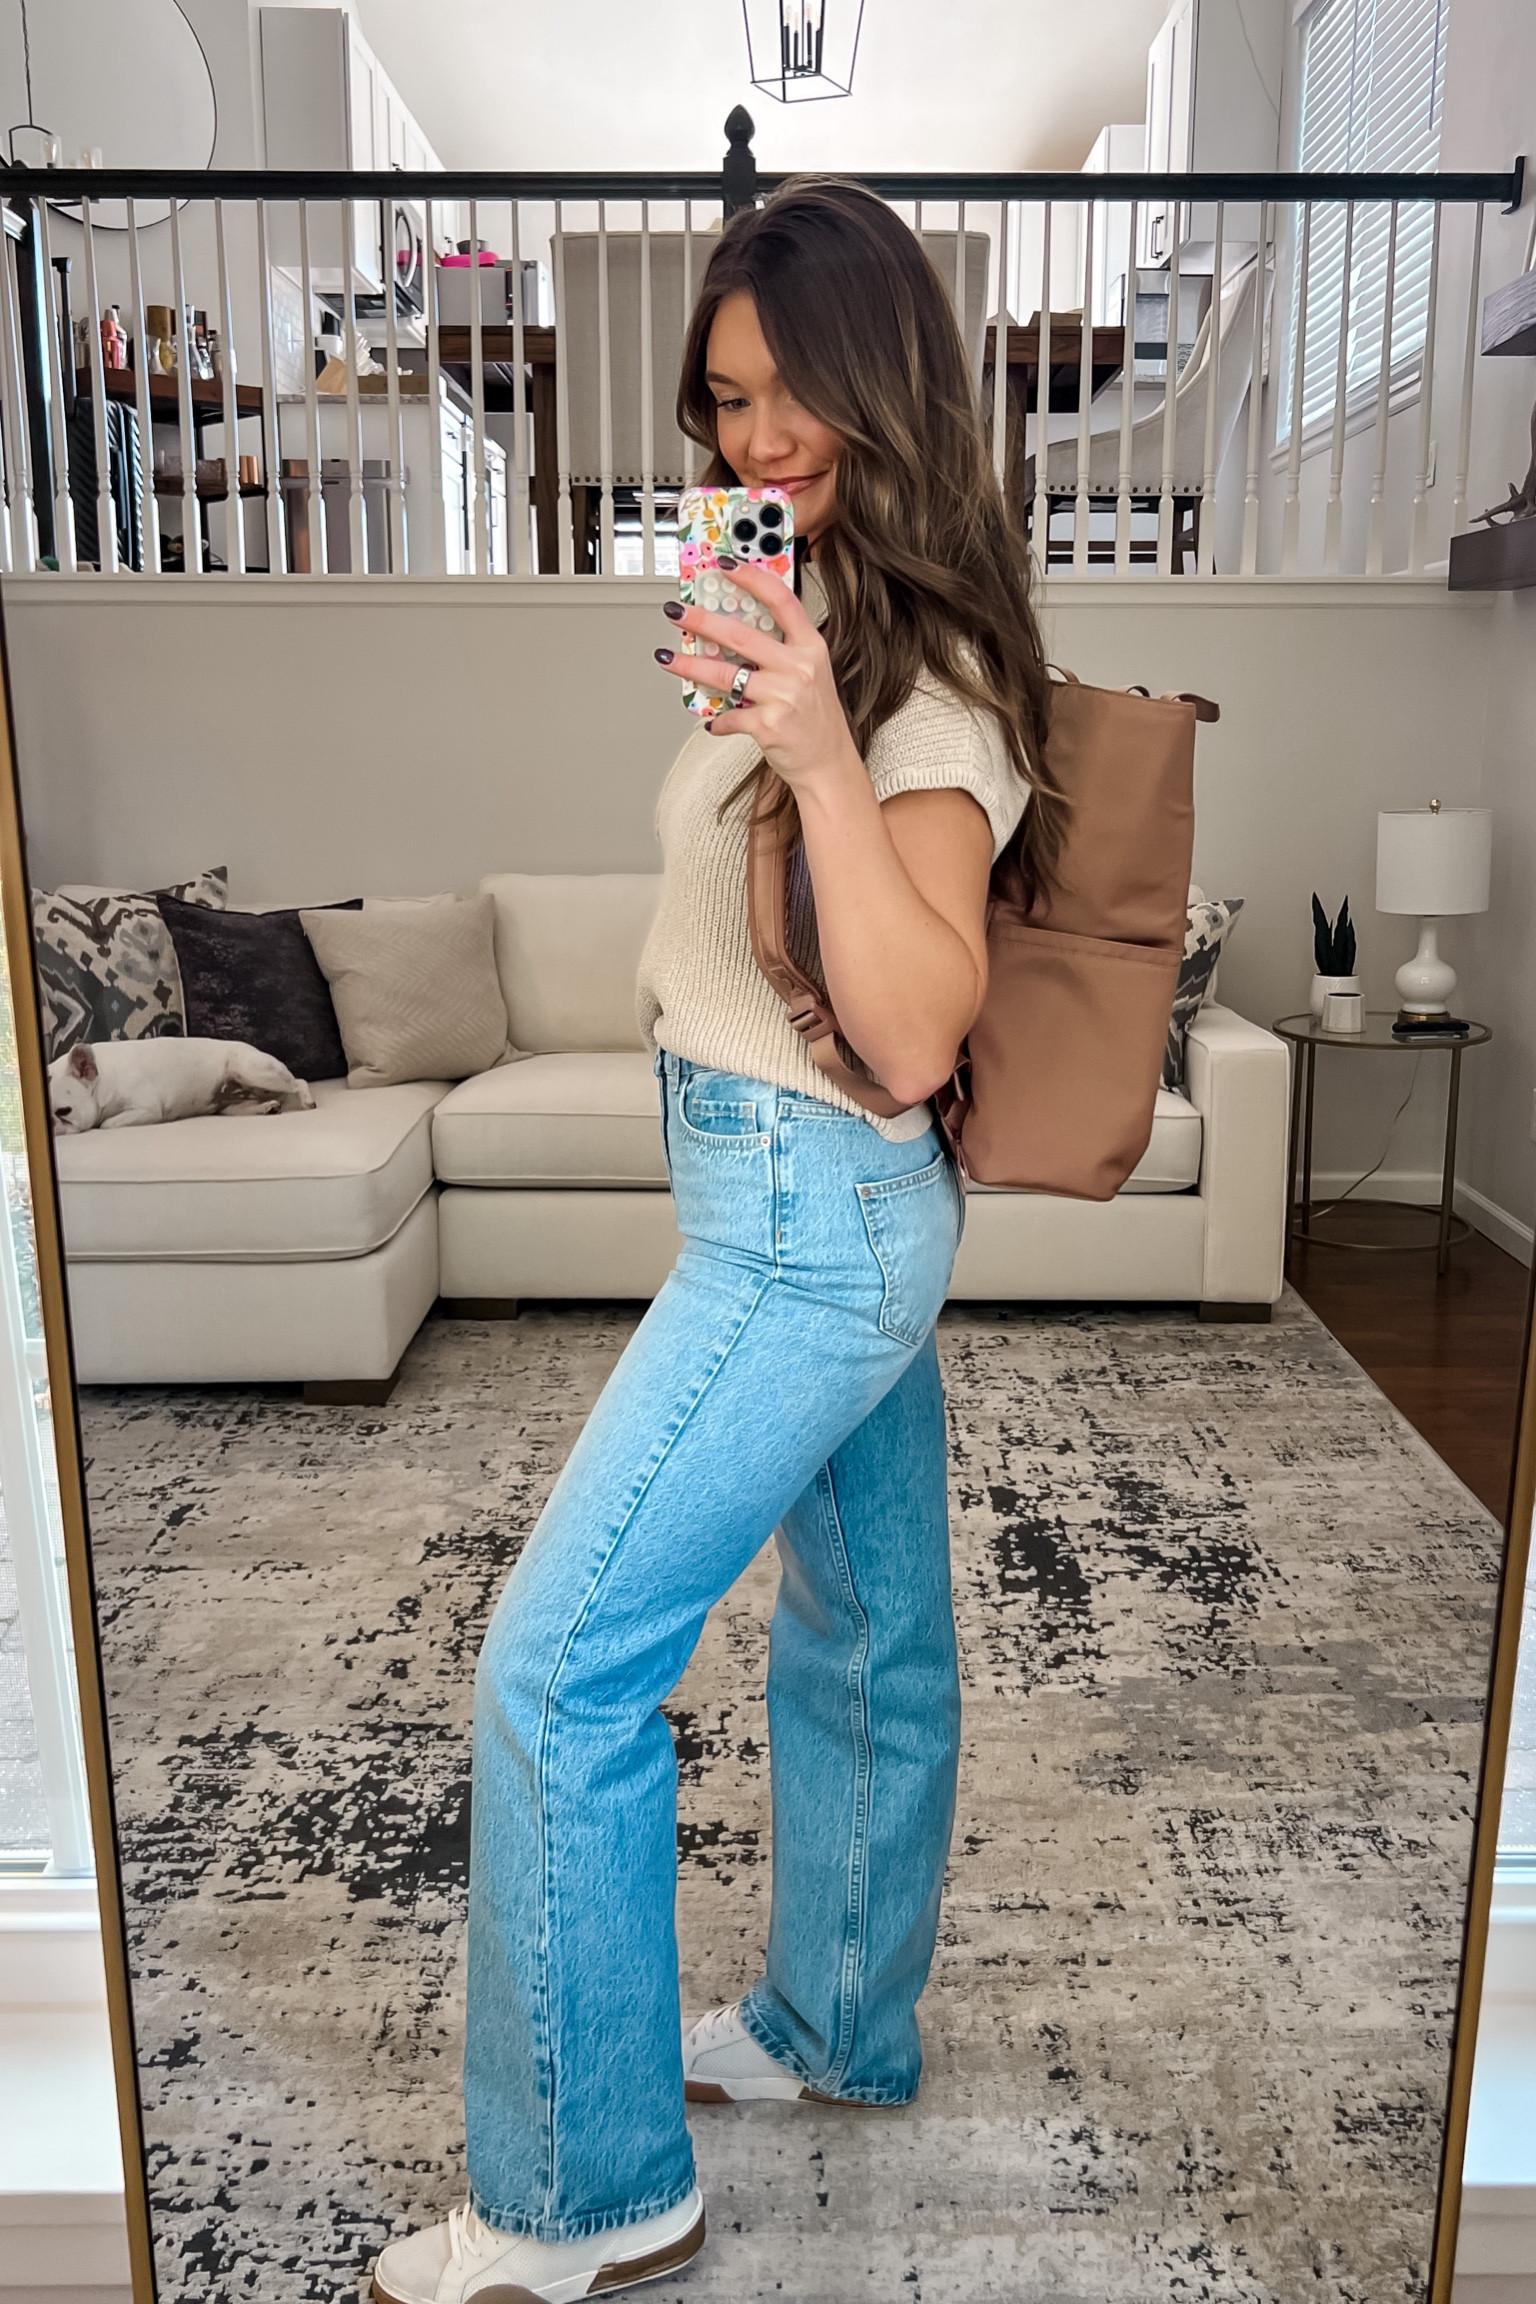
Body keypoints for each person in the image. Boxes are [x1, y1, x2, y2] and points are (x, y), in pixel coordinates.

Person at [372, 176, 1059, 2304]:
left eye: (784, 398)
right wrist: (780, 714)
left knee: (556, 1669)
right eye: (724, 404)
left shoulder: (927, 686)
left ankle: (585, 2193)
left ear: (883, 382)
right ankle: (834, 2024)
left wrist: (825, 753)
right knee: (868, 1640)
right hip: (809, 1198)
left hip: (805, 1222)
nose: (751, 442)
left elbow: (918, 1023)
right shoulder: (816, 615)